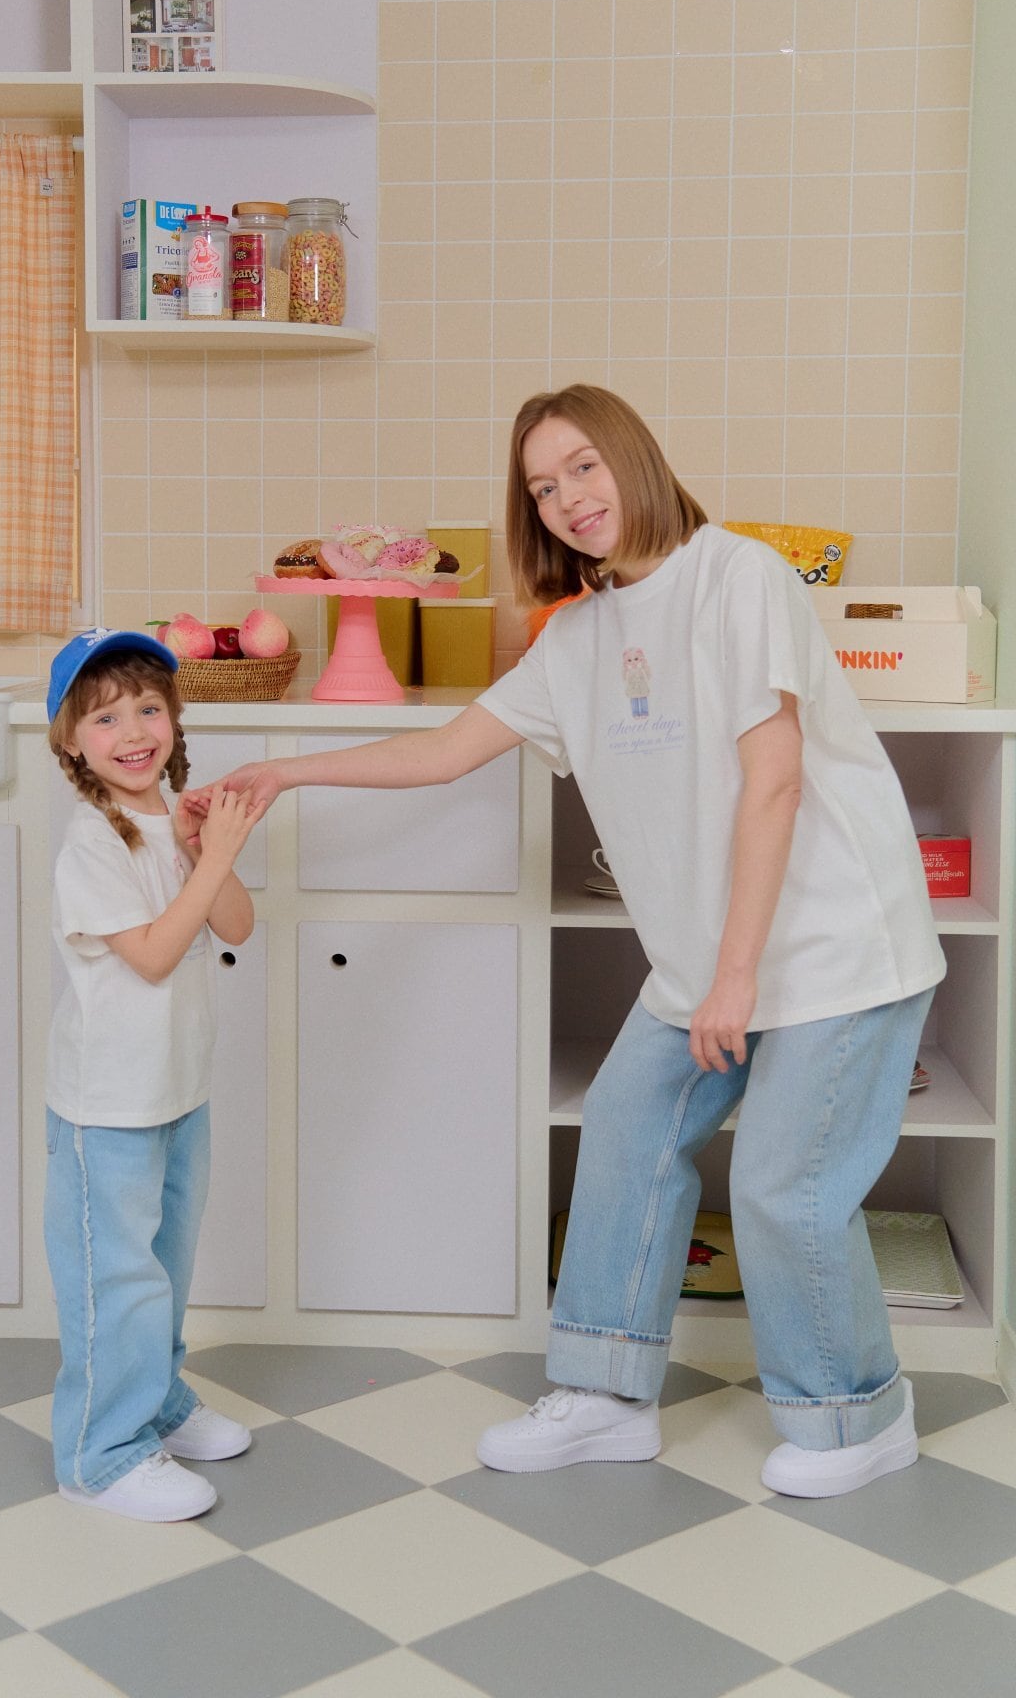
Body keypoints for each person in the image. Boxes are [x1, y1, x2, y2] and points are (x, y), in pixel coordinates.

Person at [208, 385, 945, 1500]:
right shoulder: (580, 636)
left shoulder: (737, 577)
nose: (567, 499)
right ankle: (604, 1396)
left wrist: (735, 979)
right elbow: (446, 750)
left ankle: (859, 1415)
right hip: (708, 963)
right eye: (542, 487)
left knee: (780, 1186)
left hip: (834, 945)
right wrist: (282, 772)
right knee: (625, 1129)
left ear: (633, 457)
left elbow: (775, 780)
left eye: (583, 467)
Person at [44, 628, 265, 1522]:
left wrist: (209, 847)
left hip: (177, 1090)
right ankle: (101, 1454)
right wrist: (212, 855)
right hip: (109, 1105)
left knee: (165, 1263)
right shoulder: (92, 843)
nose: (133, 731)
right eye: (105, 718)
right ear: (70, 741)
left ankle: (157, 1400)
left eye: (147, 708)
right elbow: (153, 955)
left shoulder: (167, 825)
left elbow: (237, 926)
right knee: (117, 1281)